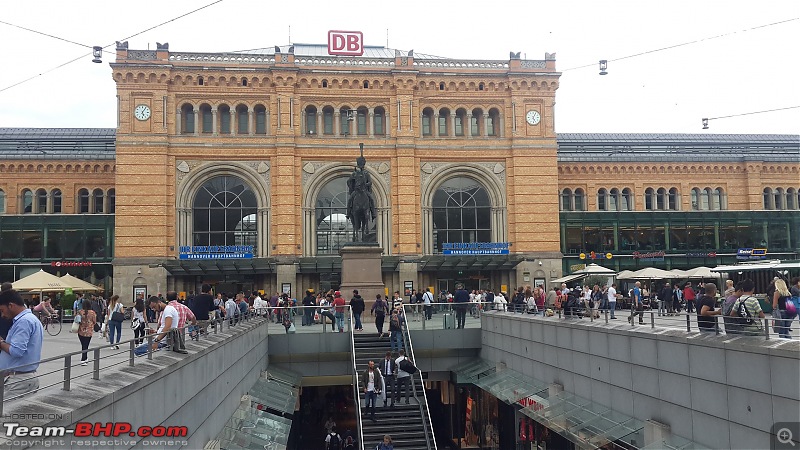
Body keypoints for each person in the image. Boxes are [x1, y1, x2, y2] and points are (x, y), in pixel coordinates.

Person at [0, 288, 43, 397]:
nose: (2, 315)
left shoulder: (24, 322)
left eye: (2, 310)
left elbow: (16, 351)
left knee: (8, 412)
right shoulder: (30, 319)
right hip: (22, 379)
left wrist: (1, 342)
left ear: (11, 305)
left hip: (18, 381)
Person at [75, 298, 97, 365]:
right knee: (86, 345)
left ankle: (85, 358)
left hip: (81, 331)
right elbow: (94, 321)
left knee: (83, 345)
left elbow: (76, 320)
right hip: (89, 331)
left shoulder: (80, 312)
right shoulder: (92, 313)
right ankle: (83, 359)